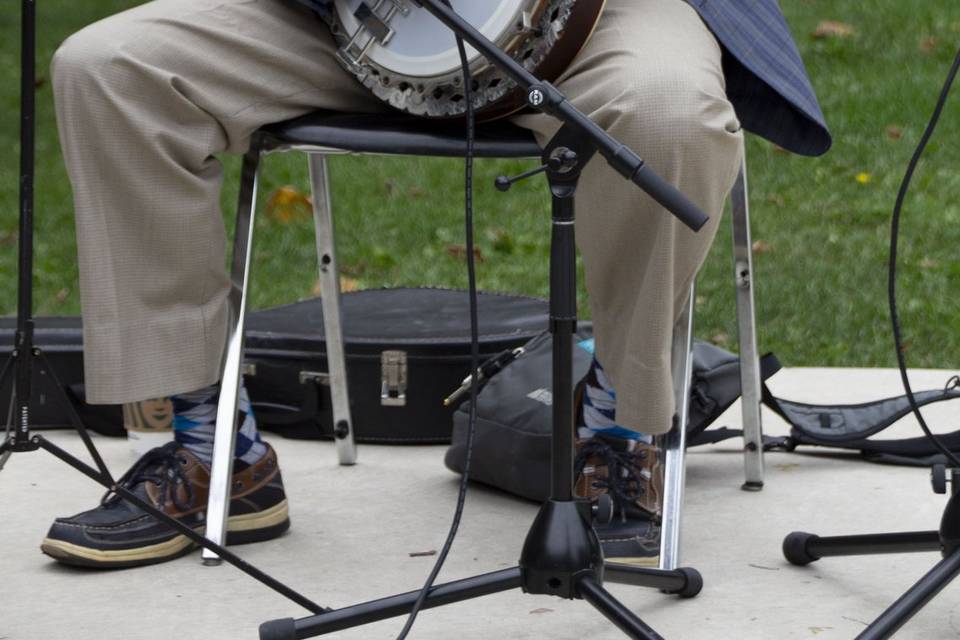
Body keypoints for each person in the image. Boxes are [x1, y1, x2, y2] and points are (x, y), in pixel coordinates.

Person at [40, 0, 830, 568]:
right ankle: (216, 451)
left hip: (601, 20)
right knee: (112, 68)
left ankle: (616, 430)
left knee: (668, 118)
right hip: (356, 20)